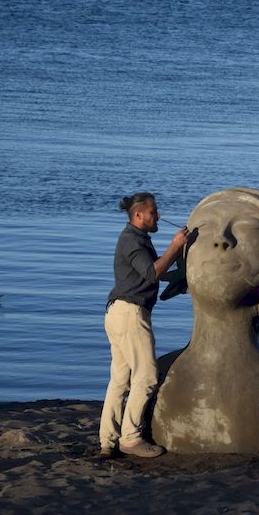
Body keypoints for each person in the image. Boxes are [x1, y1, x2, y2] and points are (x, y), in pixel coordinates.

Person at [99, 192, 187, 458]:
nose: (157, 216)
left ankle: (108, 441)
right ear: (138, 215)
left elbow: (150, 275)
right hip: (130, 314)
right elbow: (152, 272)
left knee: (120, 380)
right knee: (147, 377)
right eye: (153, 212)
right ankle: (131, 439)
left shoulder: (135, 239)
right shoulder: (132, 241)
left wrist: (182, 276)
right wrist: (175, 246)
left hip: (118, 313)